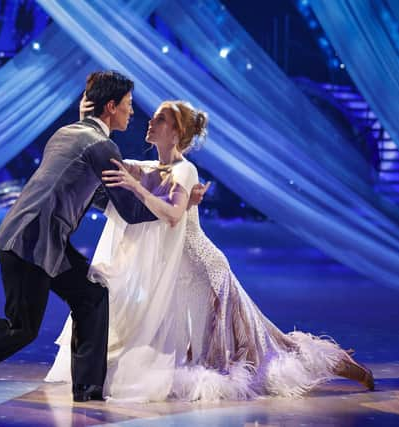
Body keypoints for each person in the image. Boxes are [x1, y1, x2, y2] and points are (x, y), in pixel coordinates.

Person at [45, 100, 374, 401]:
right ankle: (340, 365)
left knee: (262, 345)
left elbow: (173, 215)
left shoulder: (185, 170)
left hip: (207, 270)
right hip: (183, 276)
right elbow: (105, 157)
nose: (150, 122)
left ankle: (349, 368)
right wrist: (87, 120)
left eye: (160, 119)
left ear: (176, 132)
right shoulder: (148, 167)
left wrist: (135, 188)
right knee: (241, 344)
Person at [0, 71, 206, 402]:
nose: (132, 112)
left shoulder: (70, 132)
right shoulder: (99, 145)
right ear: (110, 107)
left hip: (44, 239)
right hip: (31, 240)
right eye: (127, 105)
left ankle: (88, 387)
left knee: (91, 296)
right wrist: (179, 206)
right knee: (20, 328)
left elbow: (92, 193)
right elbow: (130, 211)